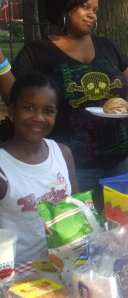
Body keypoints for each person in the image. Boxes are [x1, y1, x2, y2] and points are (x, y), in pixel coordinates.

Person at [11, 0, 128, 192]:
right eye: (85, 6)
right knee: (82, 224)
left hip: (117, 163)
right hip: (71, 166)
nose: (93, 14)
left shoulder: (107, 46)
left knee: (119, 222)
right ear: (64, 7)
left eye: (95, 10)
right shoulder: (37, 52)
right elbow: (14, 98)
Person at [0, 73, 78, 265]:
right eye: (29, 108)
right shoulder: (4, 168)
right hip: (17, 273)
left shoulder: (62, 153)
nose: (38, 118)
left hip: (63, 263)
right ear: (12, 110)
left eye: (48, 110)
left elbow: (77, 208)